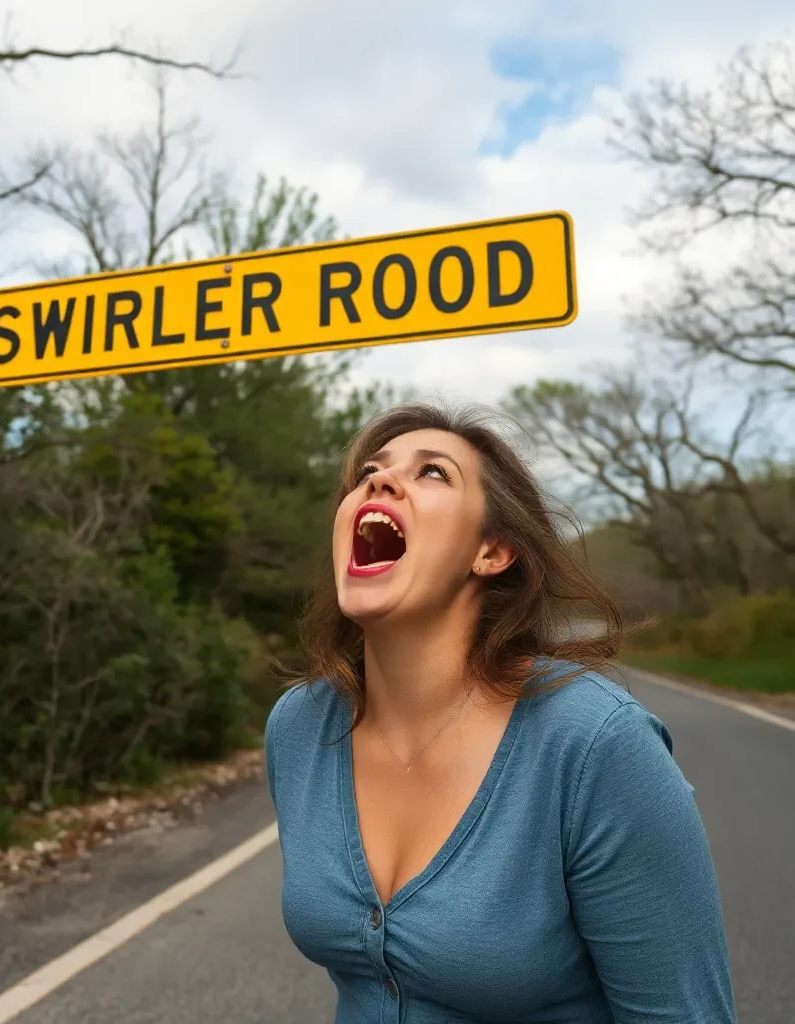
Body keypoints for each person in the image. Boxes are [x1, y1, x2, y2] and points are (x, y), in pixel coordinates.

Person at [265, 401, 736, 1023]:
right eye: (368, 473)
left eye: (432, 473)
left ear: (492, 552)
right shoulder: (299, 726)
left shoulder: (595, 745)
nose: (378, 481)